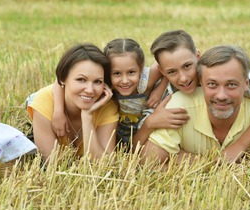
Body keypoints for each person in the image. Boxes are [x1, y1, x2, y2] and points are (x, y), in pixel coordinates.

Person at [140, 30, 250, 165]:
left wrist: (240, 145)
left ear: (198, 57)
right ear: (163, 72)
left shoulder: (224, 72)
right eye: (172, 72)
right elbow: (142, 156)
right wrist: (149, 122)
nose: (184, 78)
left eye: (187, 66)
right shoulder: (166, 93)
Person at [52, 38, 190, 151]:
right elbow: (59, 81)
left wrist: (161, 87)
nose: (124, 81)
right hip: (121, 130)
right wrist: (58, 111)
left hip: (148, 124)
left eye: (131, 72)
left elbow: (165, 64)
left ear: (141, 69)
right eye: (117, 73)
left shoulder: (145, 82)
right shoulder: (105, 83)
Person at [26, 43, 119, 162]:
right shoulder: (44, 101)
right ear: (62, 79)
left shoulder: (107, 106)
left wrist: (87, 117)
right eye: (81, 80)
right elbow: (52, 164)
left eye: (98, 82)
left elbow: (103, 165)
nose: (90, 90)